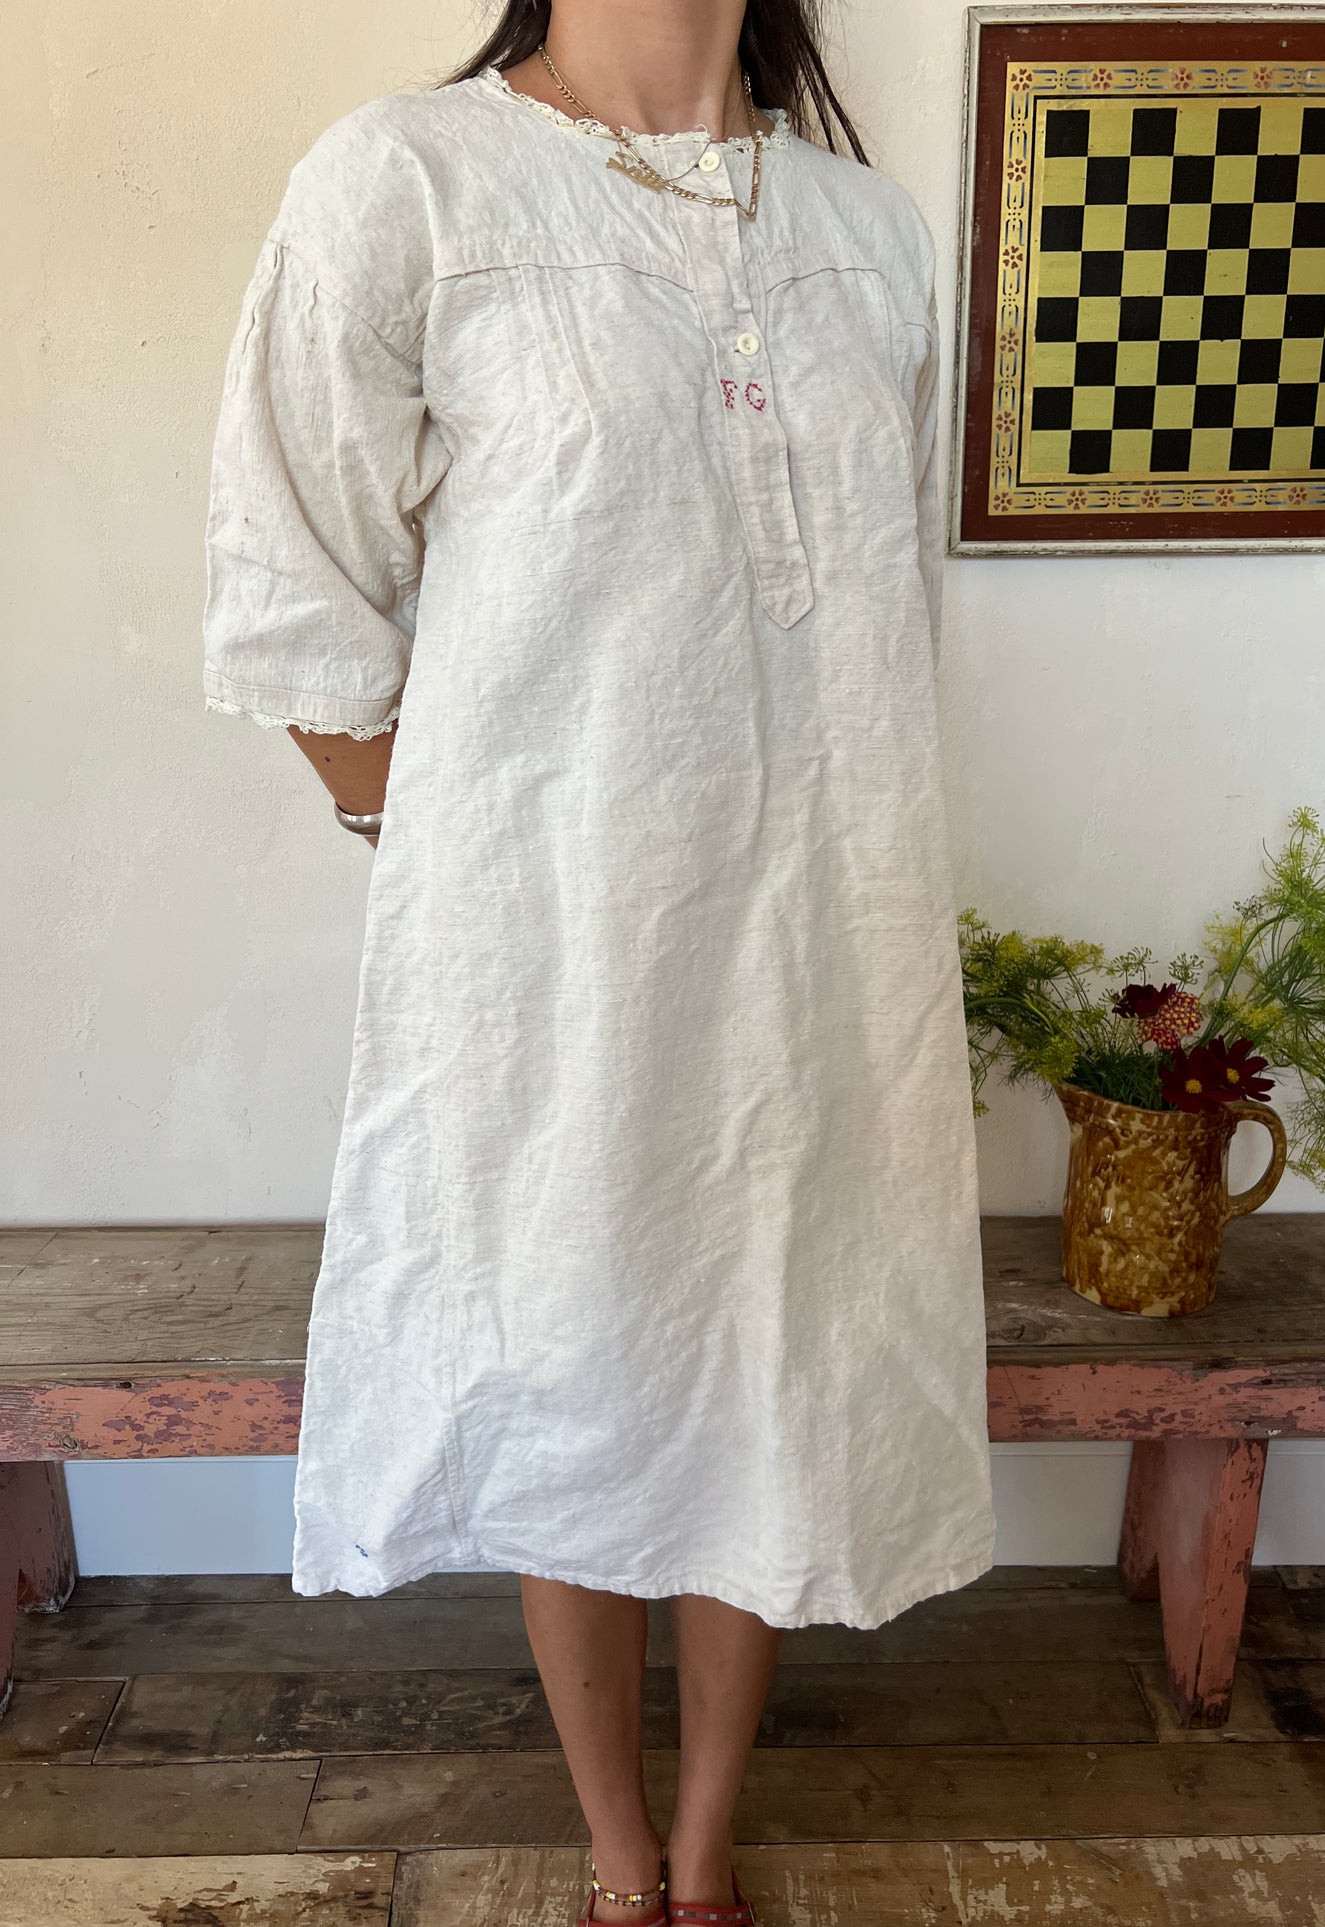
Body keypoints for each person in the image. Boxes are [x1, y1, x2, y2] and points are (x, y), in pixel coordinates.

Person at [200, 2, 994, 1920]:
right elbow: (288, 574)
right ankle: (614, 1844)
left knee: (776, 1349)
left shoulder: (867, 233)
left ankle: (705, 1836)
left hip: (824, 936)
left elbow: (890, 601)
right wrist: (452, 856)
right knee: (571, 1356)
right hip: (555, 948)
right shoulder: (407, 181)